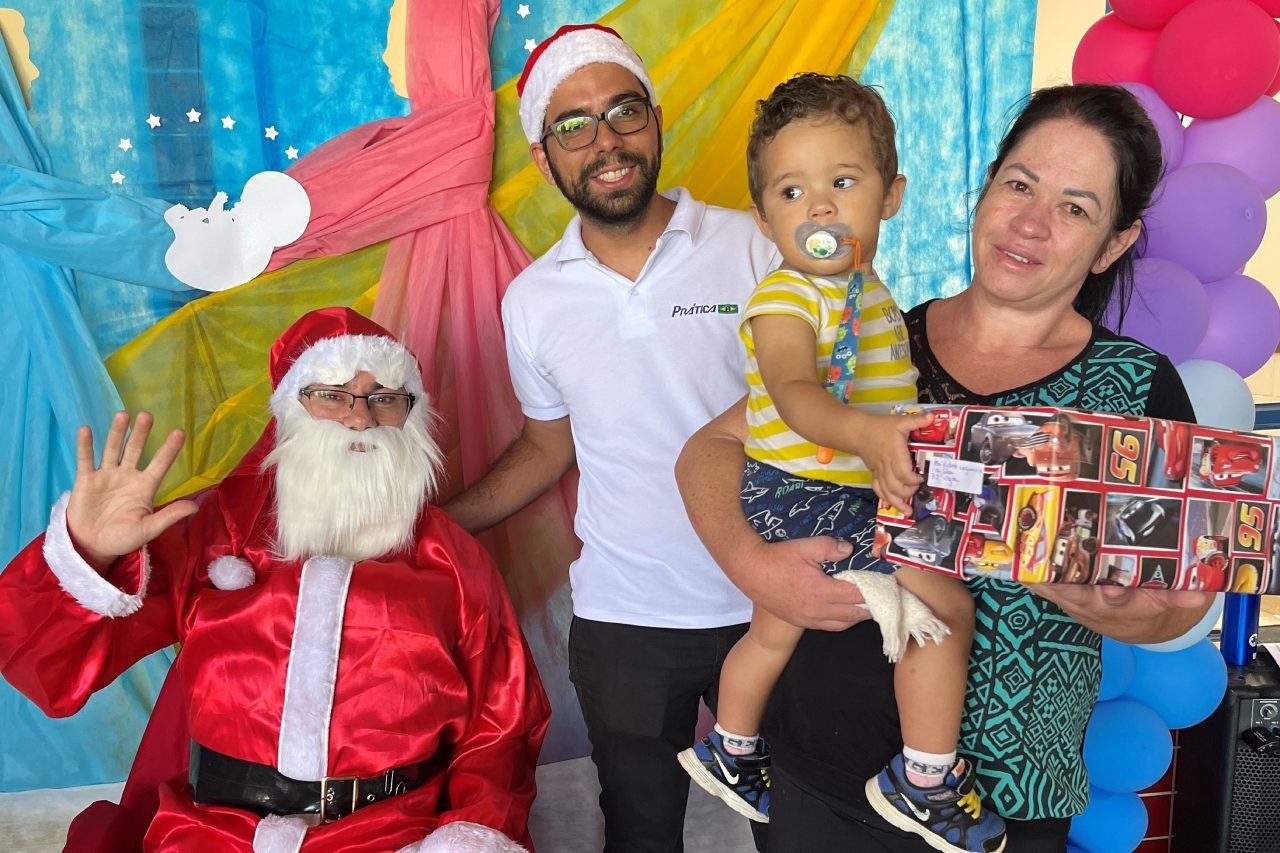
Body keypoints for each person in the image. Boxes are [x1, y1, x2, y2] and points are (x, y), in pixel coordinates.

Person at [675, 84, 1215, 852]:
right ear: (986, 188)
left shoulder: (1134, 389)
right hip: (818, 779)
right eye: (1020, 185)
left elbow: (1186, 596)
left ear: (1112, 243)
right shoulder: (882, 341)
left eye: (1074, 207)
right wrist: (749, 562)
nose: (1031, 221)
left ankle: (927, 782)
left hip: (1006, 799)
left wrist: (1120, 608)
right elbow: (710, 448)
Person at [0, 308, 549, 853]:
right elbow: (46, 664)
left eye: (385, 399)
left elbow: (502, 727)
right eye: (332, 395)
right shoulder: (216, 529)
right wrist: (91, 552)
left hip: (390, 835)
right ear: (289, 409)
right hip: (208, 834)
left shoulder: (450, 557)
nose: (360, 420)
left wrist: (468, 837)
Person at [441, 23, 799, 852]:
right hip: (624, 618)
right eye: (574, 125)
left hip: (774, 599)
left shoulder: (753, 246)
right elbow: (546, 446)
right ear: (545, 159)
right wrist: (442, 523)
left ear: (656, 120)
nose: (605, 140)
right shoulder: (533, 301)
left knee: (801, 828)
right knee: (640, 833)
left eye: (623, 110)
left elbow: (821, 398)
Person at [675, 72, 1005, 853]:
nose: (819, 208)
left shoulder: (865, 291)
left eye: (843, 183)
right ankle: (924, 778)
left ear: (891, 195)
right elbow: (793, 393)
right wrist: (869, 435)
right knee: (941, 607)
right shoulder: (787, 299)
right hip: (803, 488)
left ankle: (731, 747)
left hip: (808, 485)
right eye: (792, 192)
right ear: (764, 219)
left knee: (775, 628)